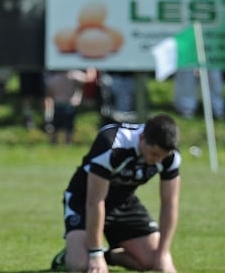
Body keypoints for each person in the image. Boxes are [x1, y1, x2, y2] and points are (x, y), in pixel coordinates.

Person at [50, 114, 181, 273]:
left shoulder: (170, 155)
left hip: (122, 202)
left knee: (152, 260)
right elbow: (95, 200)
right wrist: (94, 253)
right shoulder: (112, 143)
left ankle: (109, 256)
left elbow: (170, 204)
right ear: (142, 138)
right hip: (84, 200)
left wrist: (163, 253)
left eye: (162, 157)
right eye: (154, 154)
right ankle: (69, 257)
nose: (158, 161)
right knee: (81, 265)